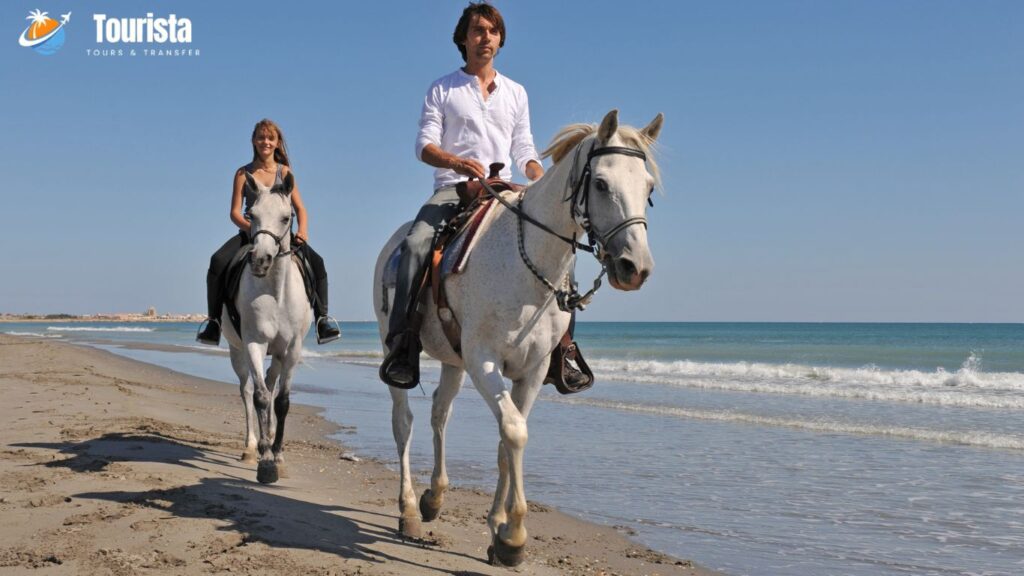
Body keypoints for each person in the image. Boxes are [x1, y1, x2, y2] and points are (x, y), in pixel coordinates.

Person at [380, 2, 591, 392]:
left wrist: (538, 178)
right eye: (478, 31)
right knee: (415, 245)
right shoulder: (442, 88)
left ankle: (563, 348)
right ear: (464, 38)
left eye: (492, 31)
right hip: (453, 189)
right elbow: (423, 145)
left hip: (504, 191)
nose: (486, 38)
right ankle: (404, 344)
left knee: (563, 245)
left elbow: (524, 147)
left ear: (500, 39)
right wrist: (457, 164)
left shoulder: (516, 92)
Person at [196, 119, 340, 346]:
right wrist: (253, 229)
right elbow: (234, 212)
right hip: (250, 233)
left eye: (270, 138)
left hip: (283, 236)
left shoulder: (285, 172)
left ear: (277, 142)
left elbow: (300, 208)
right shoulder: (243, 173)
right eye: (261, 137)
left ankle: (323, 319)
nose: (265, 142)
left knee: (319, 263)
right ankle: (214, 321)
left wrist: (302, 230)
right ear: (254, 141)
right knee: (217, 261)